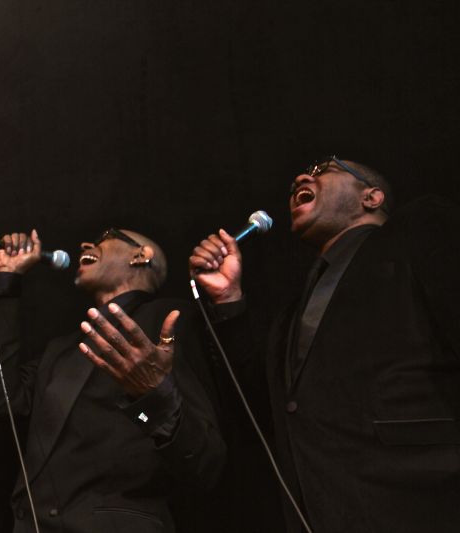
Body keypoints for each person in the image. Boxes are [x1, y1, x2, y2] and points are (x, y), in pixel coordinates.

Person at [189, 156, 460, 533]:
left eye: (323, 169)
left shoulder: (420, 229)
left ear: (371, 197)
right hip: (321, 511)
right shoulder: (291, 316)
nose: (301, 177)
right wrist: (228, 300)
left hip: (423, 503)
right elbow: (267, 409)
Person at [0, 229, 225, 533]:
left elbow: (205, 460)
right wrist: (5, 281)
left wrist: (156, 394)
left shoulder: (171, 320)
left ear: (140, 255)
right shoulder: (60, 350)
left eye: (106, 236)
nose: (85, 244)